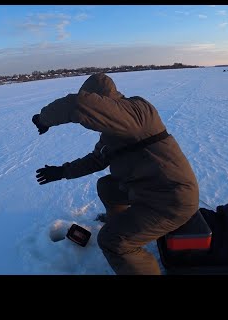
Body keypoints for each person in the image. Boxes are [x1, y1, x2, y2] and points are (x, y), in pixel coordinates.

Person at [31, 73, 199, 275]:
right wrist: (62, 171)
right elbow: (96, 160)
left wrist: (43, 119)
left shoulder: (137, 112)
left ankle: (125, 243)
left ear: (101, 100)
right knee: (107, 186)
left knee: (112, 241)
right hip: (151, 189)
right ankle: (121, 223)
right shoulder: (116, 130)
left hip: (171, 199)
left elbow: (77, 104)